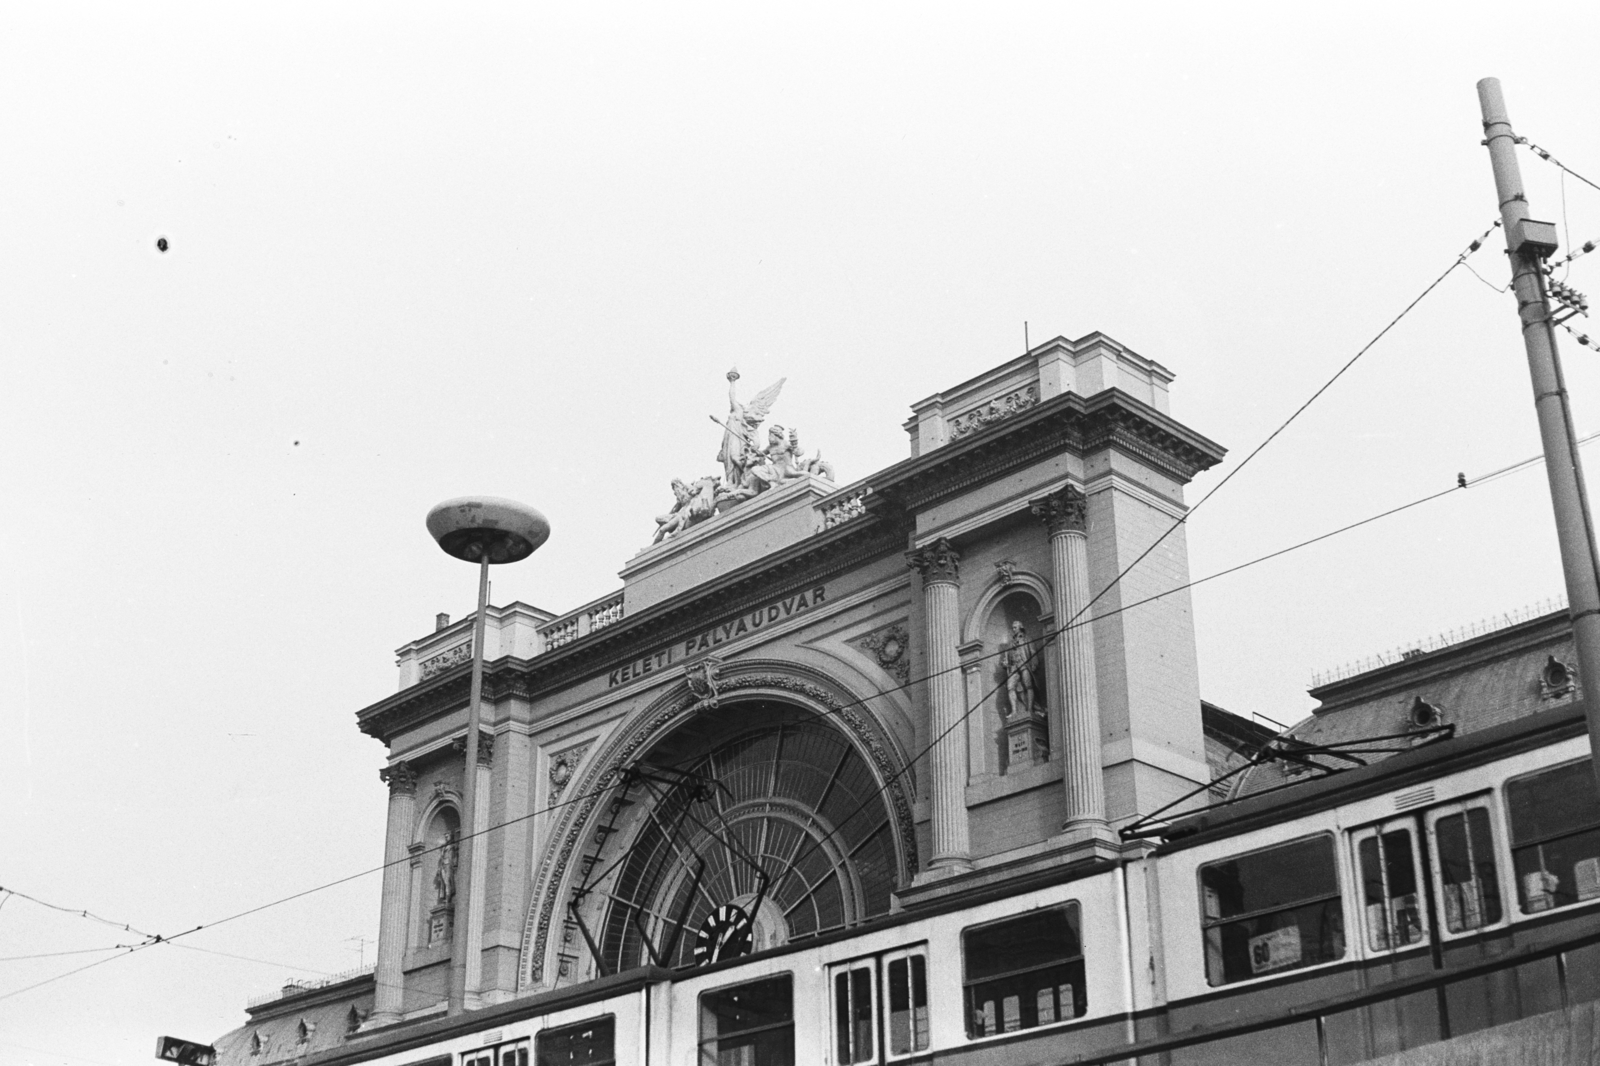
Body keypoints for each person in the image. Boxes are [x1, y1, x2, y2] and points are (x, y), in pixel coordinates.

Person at [1001, 620, 1039, 717]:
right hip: (1013, 666)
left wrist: (1034, 663)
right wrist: (1005, 663)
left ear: (1020, 627)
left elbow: (1032, 651)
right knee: (1010, 687)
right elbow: (1006, 658)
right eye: (1012, 628)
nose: (1013, 629)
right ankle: (1014, 711)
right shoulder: (1010, 643)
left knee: (1028, 685)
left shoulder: (1026, 639)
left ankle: (1029, 709)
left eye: (1015, 627)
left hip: (1024, 664)